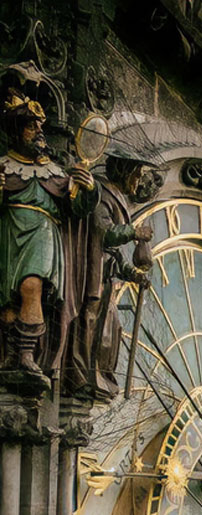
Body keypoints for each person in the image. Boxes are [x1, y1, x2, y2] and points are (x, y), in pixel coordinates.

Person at [0, 89, 96, 381]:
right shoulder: (4, 166)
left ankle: (28, 355)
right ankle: (10, 356)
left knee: (32, 288)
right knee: (8, 303)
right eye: (31, 126)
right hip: (9, 232)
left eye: (40, 127)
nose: (39, 133)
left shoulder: (54, 171)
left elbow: (78, 208)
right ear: (17, 132)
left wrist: (88, 187)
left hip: (42, 233)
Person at [63, 145, 154, 400]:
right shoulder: (101, 192)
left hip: (105, 272)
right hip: (91, 270)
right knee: (88, 321)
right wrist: (134, 233)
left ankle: (99, 376)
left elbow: (114, 253)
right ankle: (79, 375)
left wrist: (132, 274)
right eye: (136, 174)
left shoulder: (115, 196)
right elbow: (103, 233)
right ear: (125, 171)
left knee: (111, 327)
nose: (138, 181)